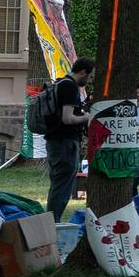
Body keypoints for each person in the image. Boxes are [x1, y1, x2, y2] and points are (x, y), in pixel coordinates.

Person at [43, 57, 95, 218]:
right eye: (91, 77)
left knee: (58, 184)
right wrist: (86, 117)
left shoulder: (60, 83)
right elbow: (68, 118)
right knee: (63, 187)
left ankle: (51, 221)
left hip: (55, 141)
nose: (90, 81)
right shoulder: (70, 87)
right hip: (65, 143)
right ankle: (53, 222)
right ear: (83, 72)